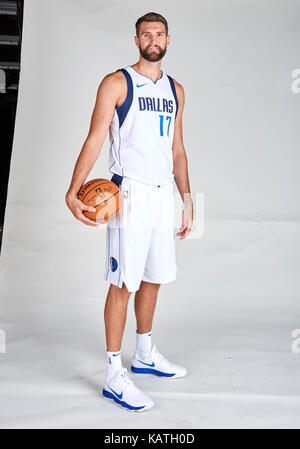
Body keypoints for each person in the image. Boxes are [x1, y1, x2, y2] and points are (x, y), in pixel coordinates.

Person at [65, 12, 193, 412]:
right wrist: (72, 191)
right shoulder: (117, 82)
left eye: (159, 34)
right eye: (145, 34)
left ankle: (144, 354)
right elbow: (95, 137)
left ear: (168, 40)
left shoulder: (177, 89)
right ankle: (113, 374)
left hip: (161, 194)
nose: (152, 40)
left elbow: (177, 149)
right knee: (124, 283)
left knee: (155, 277)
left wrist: (187, 197)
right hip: (129, 193)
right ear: (135, 40)